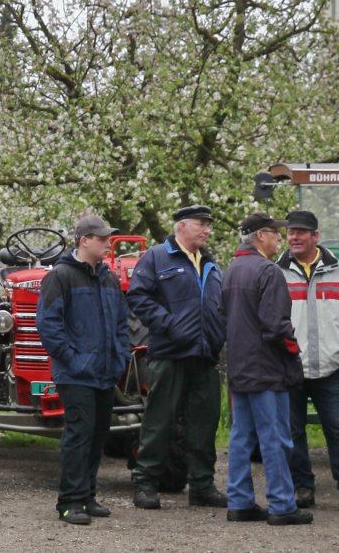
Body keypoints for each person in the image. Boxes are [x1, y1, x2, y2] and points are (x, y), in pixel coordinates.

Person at [127, 205, 227, 510]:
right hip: (170, 354)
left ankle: (202, 486)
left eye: (209, 225)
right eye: (201, 224)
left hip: (205, 356)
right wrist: (170, 325)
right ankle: (145, 484)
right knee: (159, 422)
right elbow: (138, 296)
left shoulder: (210, 263)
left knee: (204, 424)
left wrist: (218, 335)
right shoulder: (157, 257)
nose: (207, 230)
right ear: (181, 226)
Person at [36, 213, 133, 525]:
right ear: (84, 241)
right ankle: (69, 502)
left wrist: (119, 357)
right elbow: (48, 325)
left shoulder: (108, 278)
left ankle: (87, 496)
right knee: (79, 435)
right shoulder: (61, 276)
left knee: (96, 435)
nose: (107, 244)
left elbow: (121, 323)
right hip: (76, 374)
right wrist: (74, 359)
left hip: (105, 373)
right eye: (102, 239)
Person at [221, 213, 310, 526]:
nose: (279, 239)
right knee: (276, 438)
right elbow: (276, 325)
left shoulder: (231, 270)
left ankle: (239, 501)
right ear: (260, 235)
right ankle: (282, 504)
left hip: (239, 368)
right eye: (274, 233)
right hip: (267, 369)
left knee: (241, 437)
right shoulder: (268, 271)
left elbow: (222, 317)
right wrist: (293, 351)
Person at [277, 210, 339, 515]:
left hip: (329, 369)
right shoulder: (277, 273)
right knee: (293, 432)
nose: (294, 237)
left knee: (338, 429)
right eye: (290, 232)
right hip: (291, 369)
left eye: (301, 232)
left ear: (316, 236)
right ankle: (303, 487)